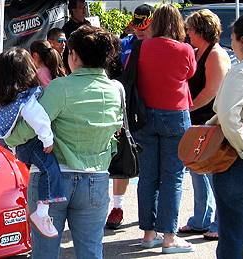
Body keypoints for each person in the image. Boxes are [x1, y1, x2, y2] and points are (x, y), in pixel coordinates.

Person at [5, 25, 123, 259]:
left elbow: (26, 130)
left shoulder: (61, 87)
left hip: (52, 178)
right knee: (91, 250)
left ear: (74, 55)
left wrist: (8, 132)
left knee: (45, 252)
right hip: (96, 178)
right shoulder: (116, 89)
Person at [131, 4, 197, 253]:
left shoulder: (141, 46)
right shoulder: (185, 49)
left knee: (147, 176)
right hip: (175, 115)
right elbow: (189, 73)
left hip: (145, 115)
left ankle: (149, 234)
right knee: (173, 177)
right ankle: (169, 237)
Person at [0, 47, 67, 238]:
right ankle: (42, 213)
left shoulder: (6, 98)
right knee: (50, 169)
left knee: (43, 171)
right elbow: (39, 118)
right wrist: (47, 139)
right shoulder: (26, 97)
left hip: (20, 148)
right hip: (32, 146)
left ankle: (41, 213)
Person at [178, 9, 231, 241]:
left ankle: (220, 223)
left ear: (201, 30)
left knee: (213, 174)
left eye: (190, 28)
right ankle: (200, 220)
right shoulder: (197, 52)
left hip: (211, 122)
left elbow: (213, 91)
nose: (187, 32)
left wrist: (188, 108)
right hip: (198, 122)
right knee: (197, 172)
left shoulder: (216, 54)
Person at [106, 3, 155, 230]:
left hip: (154, 111)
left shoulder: (162, 46)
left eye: (144, 26)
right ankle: (118, 207)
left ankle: (153, 214)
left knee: (153, 168)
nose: (139, 30)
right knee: (124, 159)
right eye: (136, 25)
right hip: (128, 111)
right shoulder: (125, 45)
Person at [206, 14, 243, 258]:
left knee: (232, 235)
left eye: (231, 39)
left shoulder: (241, 73)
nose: (231, 45)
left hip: (236, 162)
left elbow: (228, 116)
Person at [62, 0, 90, 74]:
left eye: (84, 7)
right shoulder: (68, 28)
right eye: (81, 7)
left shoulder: (88, 24)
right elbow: (66, 50)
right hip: (75, 66)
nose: (84, 9)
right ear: (73, 10)